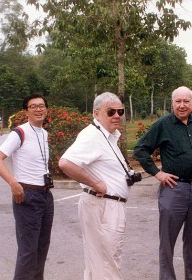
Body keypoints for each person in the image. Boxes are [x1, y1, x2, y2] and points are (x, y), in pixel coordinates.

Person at [134, 86, 192, 280]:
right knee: (167, 241)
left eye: (186, 101)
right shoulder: (163, 124)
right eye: (178, 101)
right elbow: (140, 149)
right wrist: (157, 173)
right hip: (174, 189)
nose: (182, 105)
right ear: (172, 103)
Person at [59, 92, 132, 280]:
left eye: (120, 111)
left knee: (103, 260)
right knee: (107, 262)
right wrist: (95, 183)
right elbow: (65, 163)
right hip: (103, 206)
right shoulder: (92, 136)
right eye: (110, 112)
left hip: (109, 206)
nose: (116, 115)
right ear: (96, 113)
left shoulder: (107, 136)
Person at [0, 94, 54, 280]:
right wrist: (13, 183)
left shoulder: (44, 133)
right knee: (28, 251)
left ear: (46, 109)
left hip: (45, 195)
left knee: (42, 248)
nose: (38, 109)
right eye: (33, 106)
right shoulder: (20, 133)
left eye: (41, 106)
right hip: (28, 196)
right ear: (26, 111)